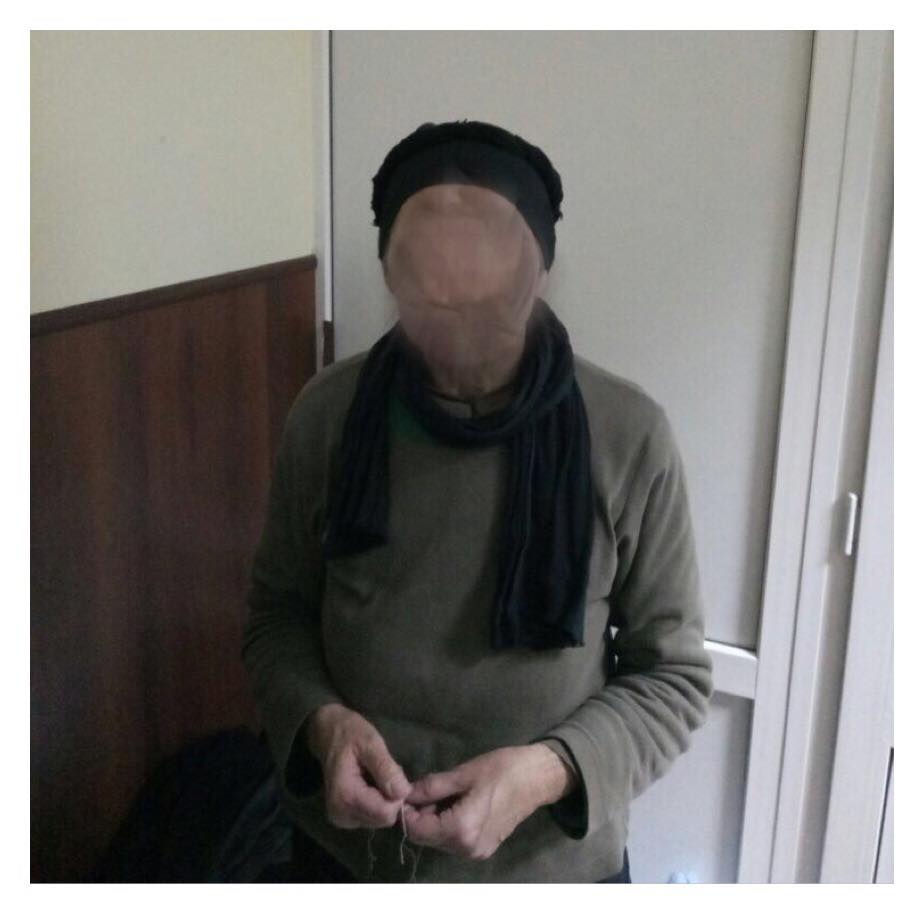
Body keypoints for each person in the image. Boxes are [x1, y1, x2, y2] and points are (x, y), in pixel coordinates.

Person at [241, 119, 713, 883]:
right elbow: (277, 617)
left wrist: (550, 770)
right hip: (347, 858)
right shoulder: (327, 414)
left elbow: (673, 678)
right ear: (394, 280)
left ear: (539, 275)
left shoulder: (629, 435)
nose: (461, 321)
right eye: (434, 291)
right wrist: (322, 727)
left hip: (550, 871)